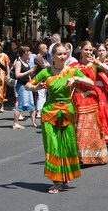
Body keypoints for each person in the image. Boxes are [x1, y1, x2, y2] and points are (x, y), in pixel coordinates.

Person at [26, 43, 94, 193]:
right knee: (52, 145)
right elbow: (27, 85)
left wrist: (77, 78)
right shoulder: (46, 72)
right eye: (60, 54)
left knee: (67, 144)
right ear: (52, 56)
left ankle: (65, 173)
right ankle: (56, 180)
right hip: (49, 111)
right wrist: (35, 88)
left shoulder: (71, 71)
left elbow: (91, 82)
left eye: (65, 54)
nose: (63, 56)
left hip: (67, 111)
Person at [69, 41, 108, 165]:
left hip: (92, 98)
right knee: (80, 128)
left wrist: (97, 62)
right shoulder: (74, 66)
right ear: (80, 49)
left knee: (92, 128)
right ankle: (80, 156)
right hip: (78, 98)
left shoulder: (94, 65)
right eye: (86, 50)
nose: (88, 52)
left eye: (90, 50)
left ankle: (94, 156)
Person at [12, 46, 37, 129]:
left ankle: (33, 122)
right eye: (27, 52)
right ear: (23, 53)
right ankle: (15, 123)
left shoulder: (26, 61)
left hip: (27, 84)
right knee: (21, 104)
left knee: (31, 103)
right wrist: (28, 72)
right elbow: (17, 75)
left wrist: (31, 82)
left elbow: (28, 75)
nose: (29, 53)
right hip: (21, 85)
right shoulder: (19, 62)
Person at [33, 43, 50, 118]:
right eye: (46, 48)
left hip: (45, 79)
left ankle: (42, 110)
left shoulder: (43, 58)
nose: (47, 50)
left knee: (43, 96)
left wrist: (47, 65)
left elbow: (49, 65)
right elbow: (44, 67)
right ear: (42, 49)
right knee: (41, 95)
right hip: (40, 79)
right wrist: (47, 65)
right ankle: (38, 111)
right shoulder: (37, 58)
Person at [0, 41, 10, 112]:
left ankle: (2, 105)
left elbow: (7, 66)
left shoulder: (4, 56)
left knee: (2, 89)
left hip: (2, 73)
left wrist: (8, 75)